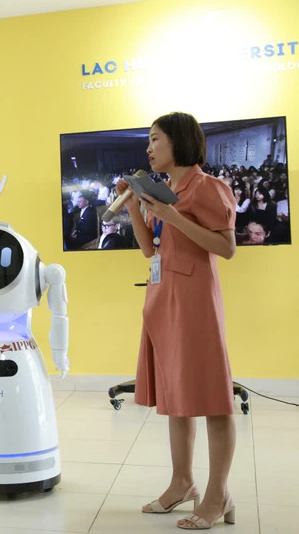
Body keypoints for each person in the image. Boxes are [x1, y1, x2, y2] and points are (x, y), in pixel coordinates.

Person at [116, 112, 237, 530]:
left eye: (155, 140)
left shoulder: (208, 188)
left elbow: (226, 248)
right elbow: (151, 252)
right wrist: (135, 207)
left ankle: (218, 493)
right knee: (177, 396)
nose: (148, 149)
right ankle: (182, 482)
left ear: (179, 142)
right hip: (163, 298)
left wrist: (174, 218)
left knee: (213, 400)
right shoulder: (162, 190)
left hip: (195, 304)